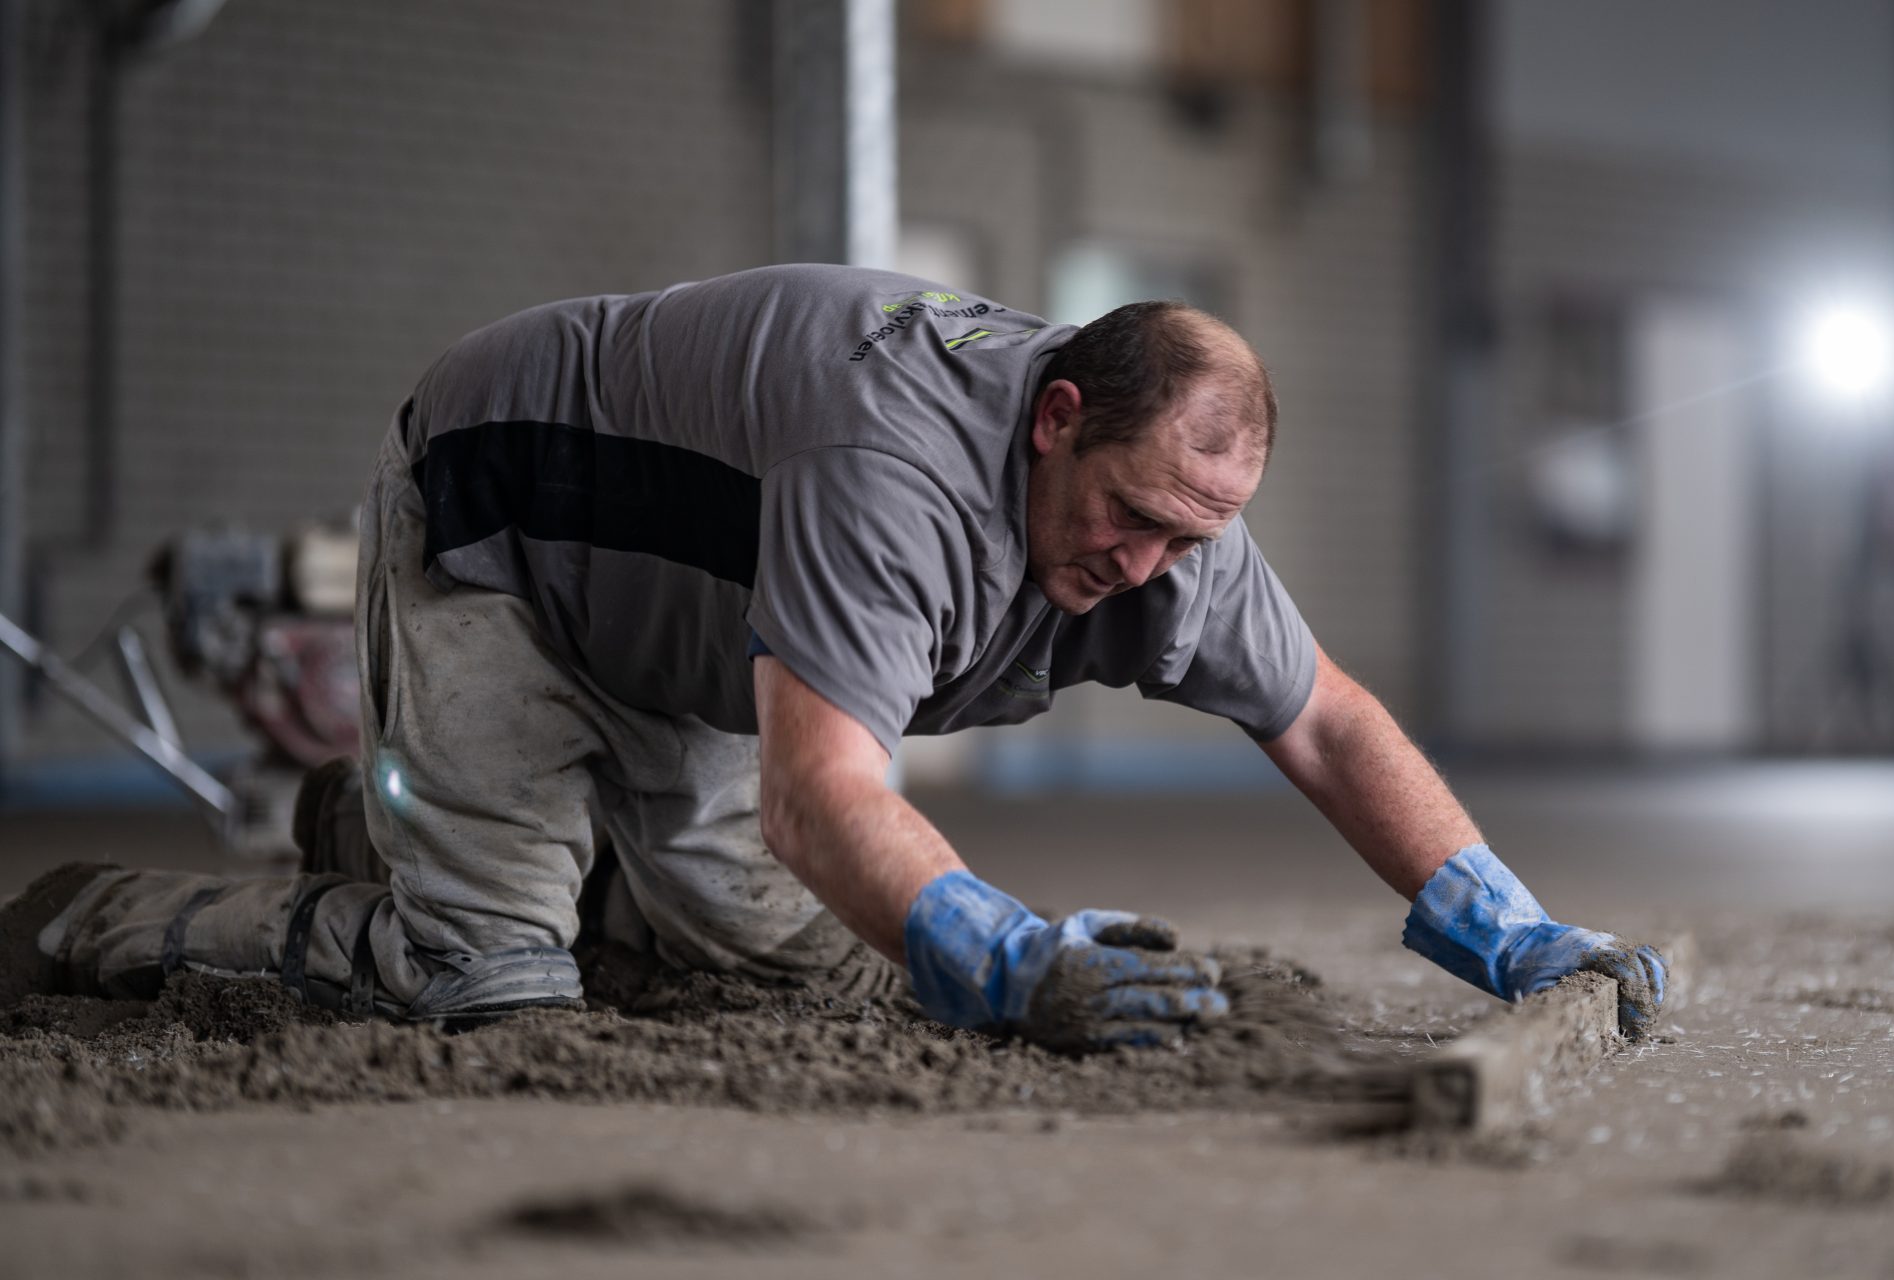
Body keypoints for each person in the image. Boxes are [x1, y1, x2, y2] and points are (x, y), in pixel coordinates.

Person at [2, 265, 1665, 1050]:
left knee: (771, 956)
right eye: (1132, 518)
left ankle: (413, 825)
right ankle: (110, 915)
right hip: (507, 532)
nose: (1146, 573)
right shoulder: (893, 478)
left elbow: (1330, 724)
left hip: (697, 639)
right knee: (491, 985)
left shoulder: (1170, 537)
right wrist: (1013, 960)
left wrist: (1504, 926)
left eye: (1191, 543)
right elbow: (820, 798)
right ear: (1055, 421)